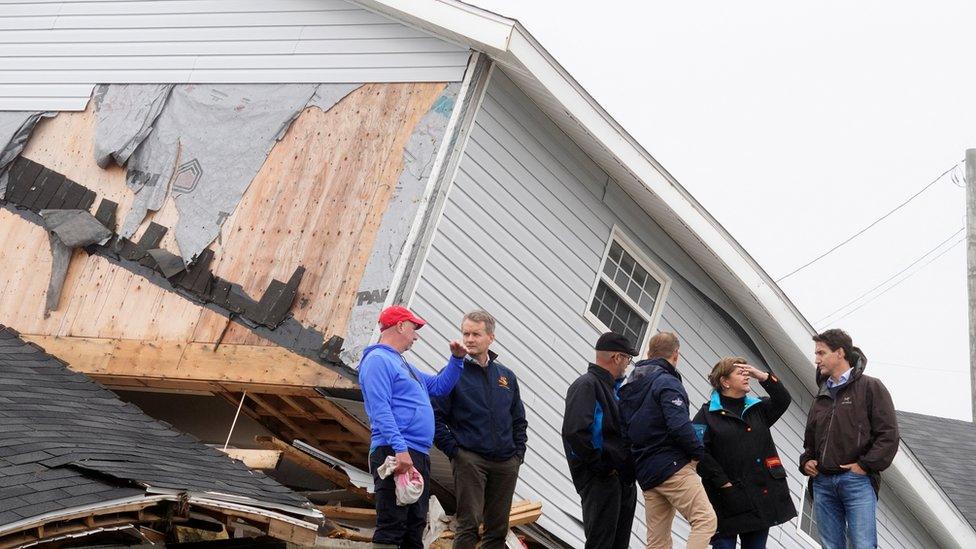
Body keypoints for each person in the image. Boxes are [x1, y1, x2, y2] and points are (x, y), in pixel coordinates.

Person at [358, 305, 467, 549]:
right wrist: (400, 449)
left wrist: (457, 359)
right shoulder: (377, 360)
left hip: (415, 453)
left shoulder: (403, 365)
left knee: (414, 526)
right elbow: (380, 410)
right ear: (400, 326)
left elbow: (439, 387)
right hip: (395, 452)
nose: (416, 336)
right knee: (393, 524)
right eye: (414, 328)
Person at [432, 310, 527, 549]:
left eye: (476, 334)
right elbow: (434, 416)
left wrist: (518, 455)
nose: (470, 339)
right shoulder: (453, 373)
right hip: (471, 460)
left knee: (497, 529)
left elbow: (518, 419)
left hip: (506, 463)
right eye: (466, 333)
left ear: (490, 338)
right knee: (468, 525)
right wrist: (456, 452)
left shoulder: (506, 377)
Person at [799, 329, 898, 549]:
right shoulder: (821, 396)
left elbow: (889, 435)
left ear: (840, 353)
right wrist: (807, 460)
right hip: (823, 483)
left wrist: (864, 466)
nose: (816, 359)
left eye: (821, 353)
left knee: (863, 545)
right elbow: (811, 439)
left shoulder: (871, 387)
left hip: (857, 481)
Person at [619, 331, 717, 549]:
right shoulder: (668, 383)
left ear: (649, 353)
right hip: (672, 467)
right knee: (705, 520)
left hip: (646, 473)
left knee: (657, 541)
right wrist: (699, 455)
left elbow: (624, 433)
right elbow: (679, 426)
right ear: (676, 354)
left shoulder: (629, 386)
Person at [692, 358, 796, 549]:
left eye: (747, 371)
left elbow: (783, 399)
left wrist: (763, 376)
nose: (747, 375)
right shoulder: (707, 415)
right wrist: (722, 481)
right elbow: (697, 451)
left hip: (760, 496)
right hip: (726, 499)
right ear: (725, 382)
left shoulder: (758, 408)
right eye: (740, 372)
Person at [561, 332, 639, 549]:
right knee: (601, 544)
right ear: (616, 357)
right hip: (601, 480)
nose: (627, 365)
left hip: (621, 481)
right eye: (627, 359)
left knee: (618, 544)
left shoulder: (615, 391)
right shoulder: (587, 385)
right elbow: (575, 433)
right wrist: (602, 467)